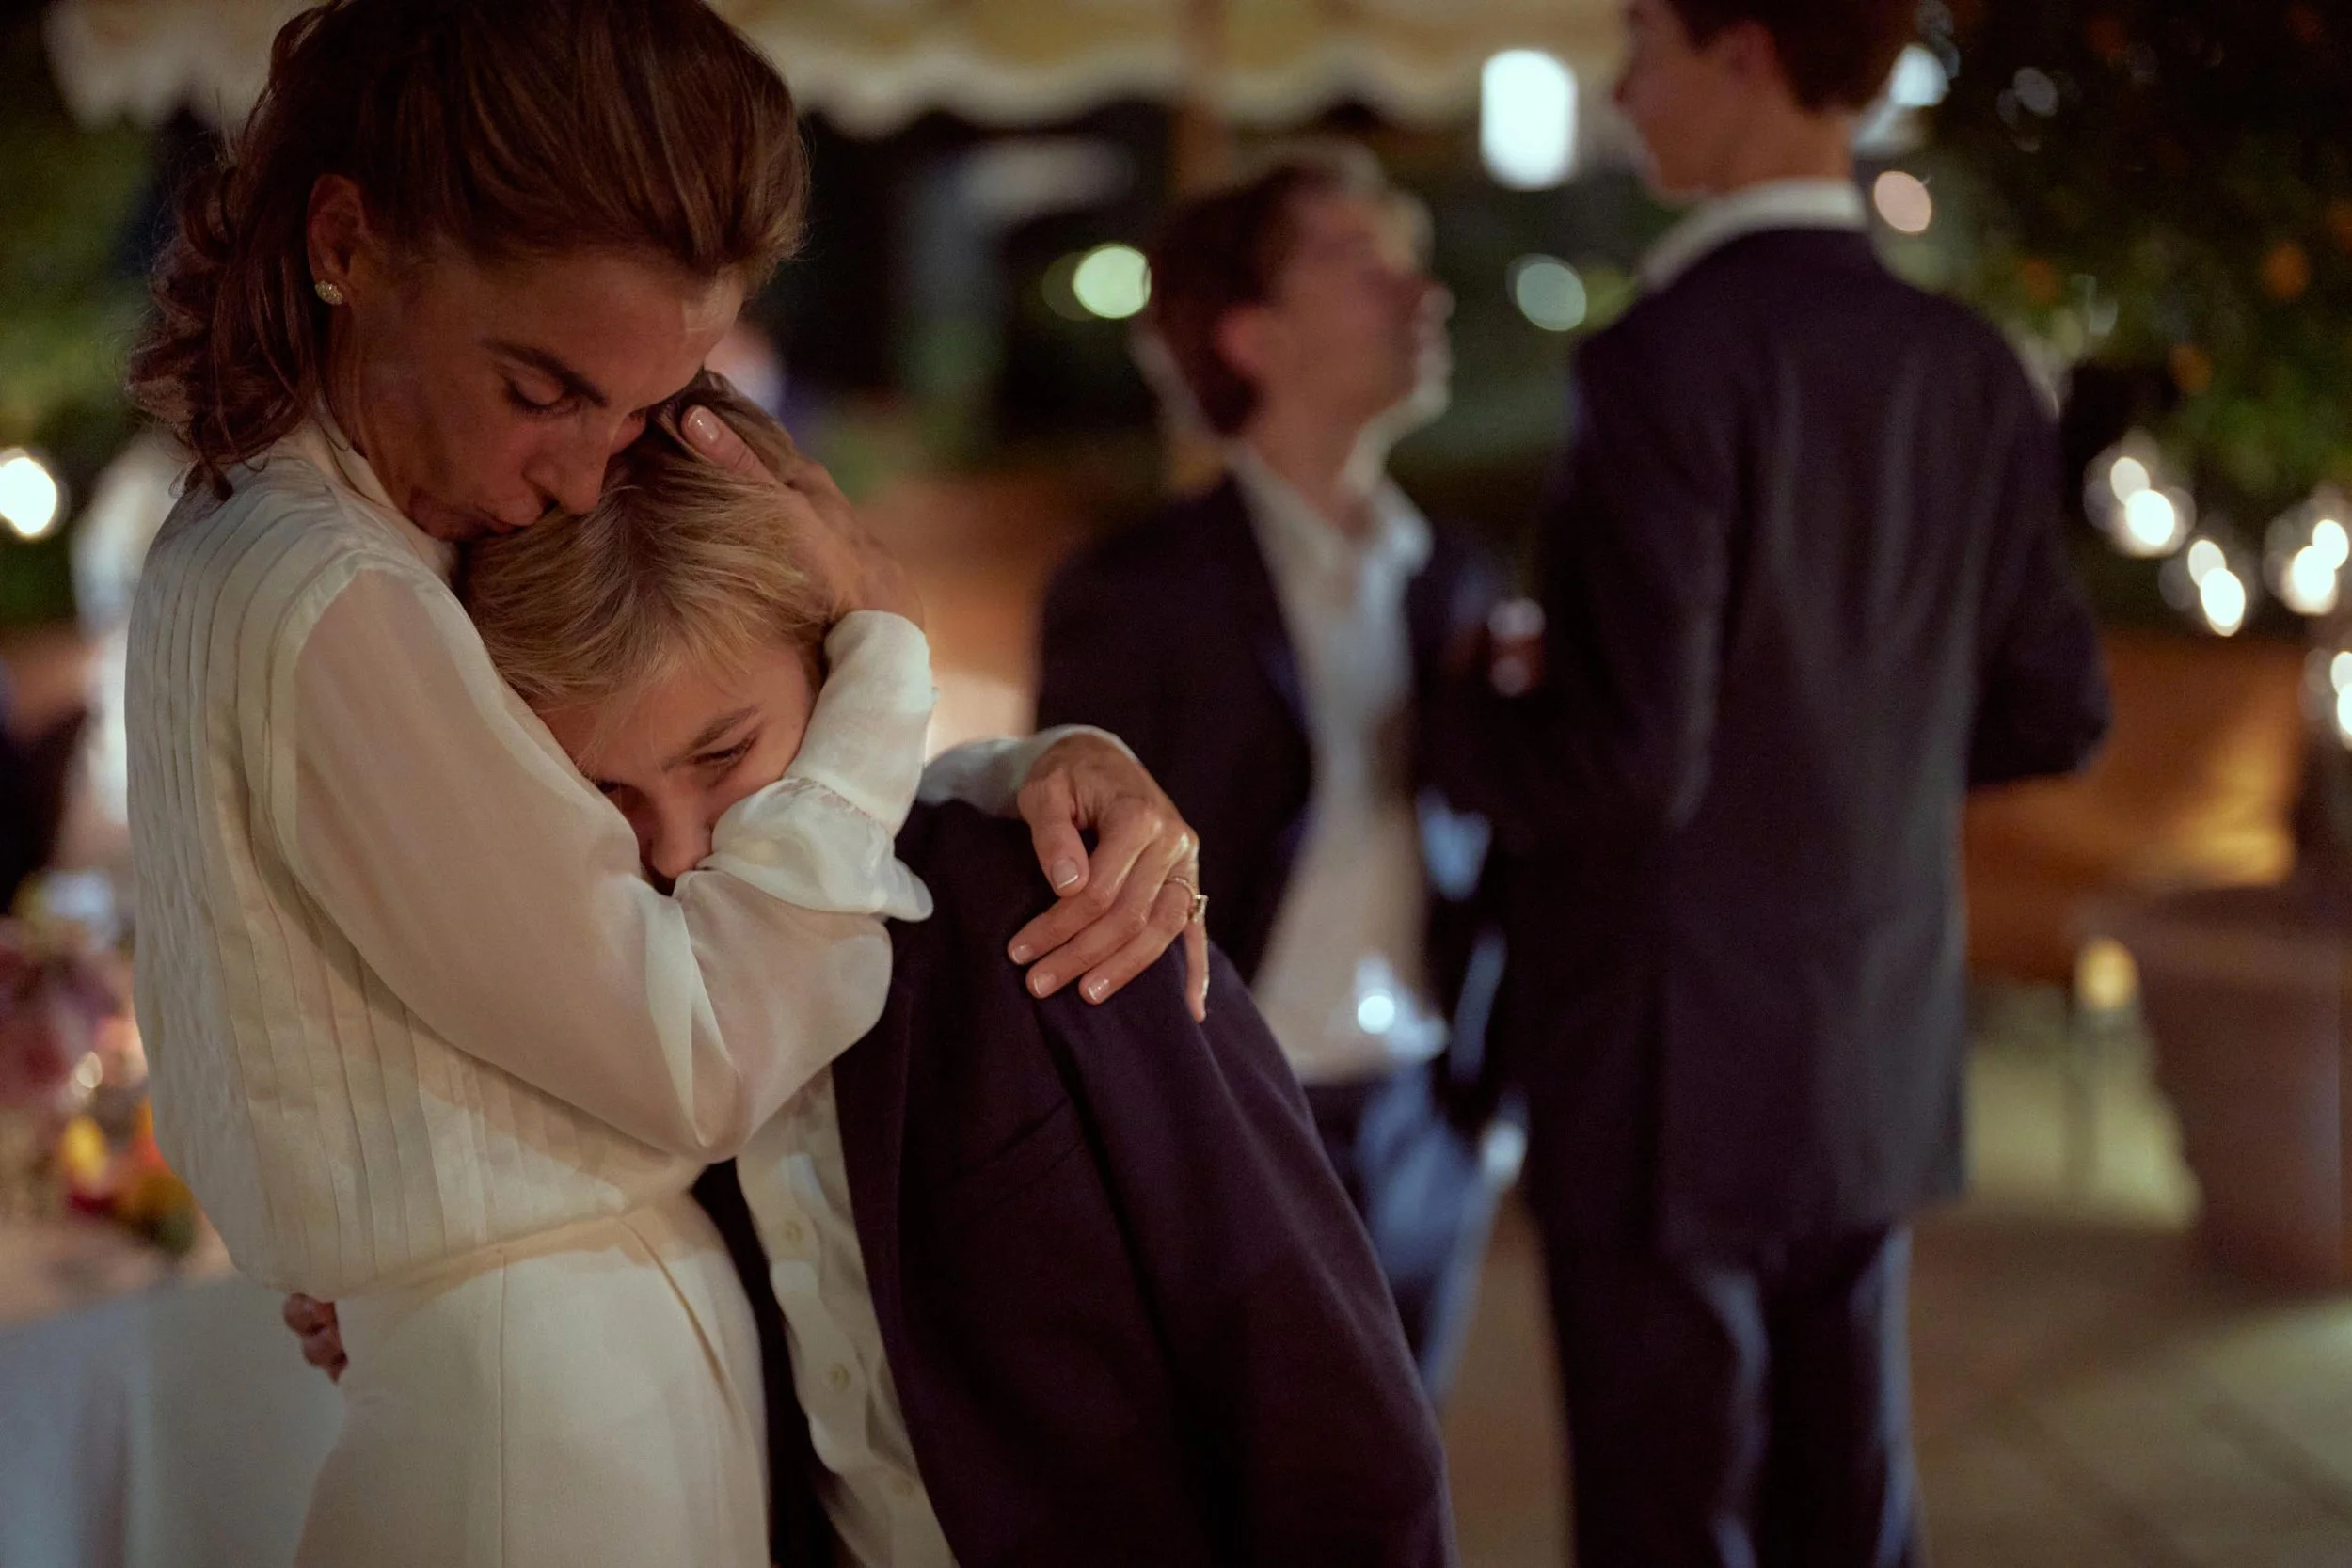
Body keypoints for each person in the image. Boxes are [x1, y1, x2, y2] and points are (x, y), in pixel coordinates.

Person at [124, 3, 1200, 1563]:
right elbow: (694, 1052)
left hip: (578, 1370)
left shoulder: (360, 546)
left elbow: (661, 850)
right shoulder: (328, 587)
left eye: (637, 410)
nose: (579, 473)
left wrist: (1032, 771)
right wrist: (883, 655)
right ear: (347, 240)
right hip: (537, 1409)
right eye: (542, 387)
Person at [447, 384, 1454, 1565]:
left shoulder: (1061, 910)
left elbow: (1326, 1406)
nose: (679, 852)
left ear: (837, 677)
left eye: (722, 756)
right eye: (608, 794)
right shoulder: (596, 994)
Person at [1424, 2, 2113, 1563]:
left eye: (1643, 48)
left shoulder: (1667, 357)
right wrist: (1850, 754)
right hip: (1872, 1020)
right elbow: (2057, 710)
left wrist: (1457, 713)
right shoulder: (1969, 363)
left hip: (1666, 1044)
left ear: (1742, 54)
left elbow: (1627, 756)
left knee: (1669, 1513)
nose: (1619, 90)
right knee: (1846, 1496)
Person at [1036, 147, 1514, 1401]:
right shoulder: (1134, 592)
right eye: (1362, 260)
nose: (1423, 294)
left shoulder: (1455, 575)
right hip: (1233, 1116)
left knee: (1401, 1492)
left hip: (1425, 1111)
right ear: (1249, 335)